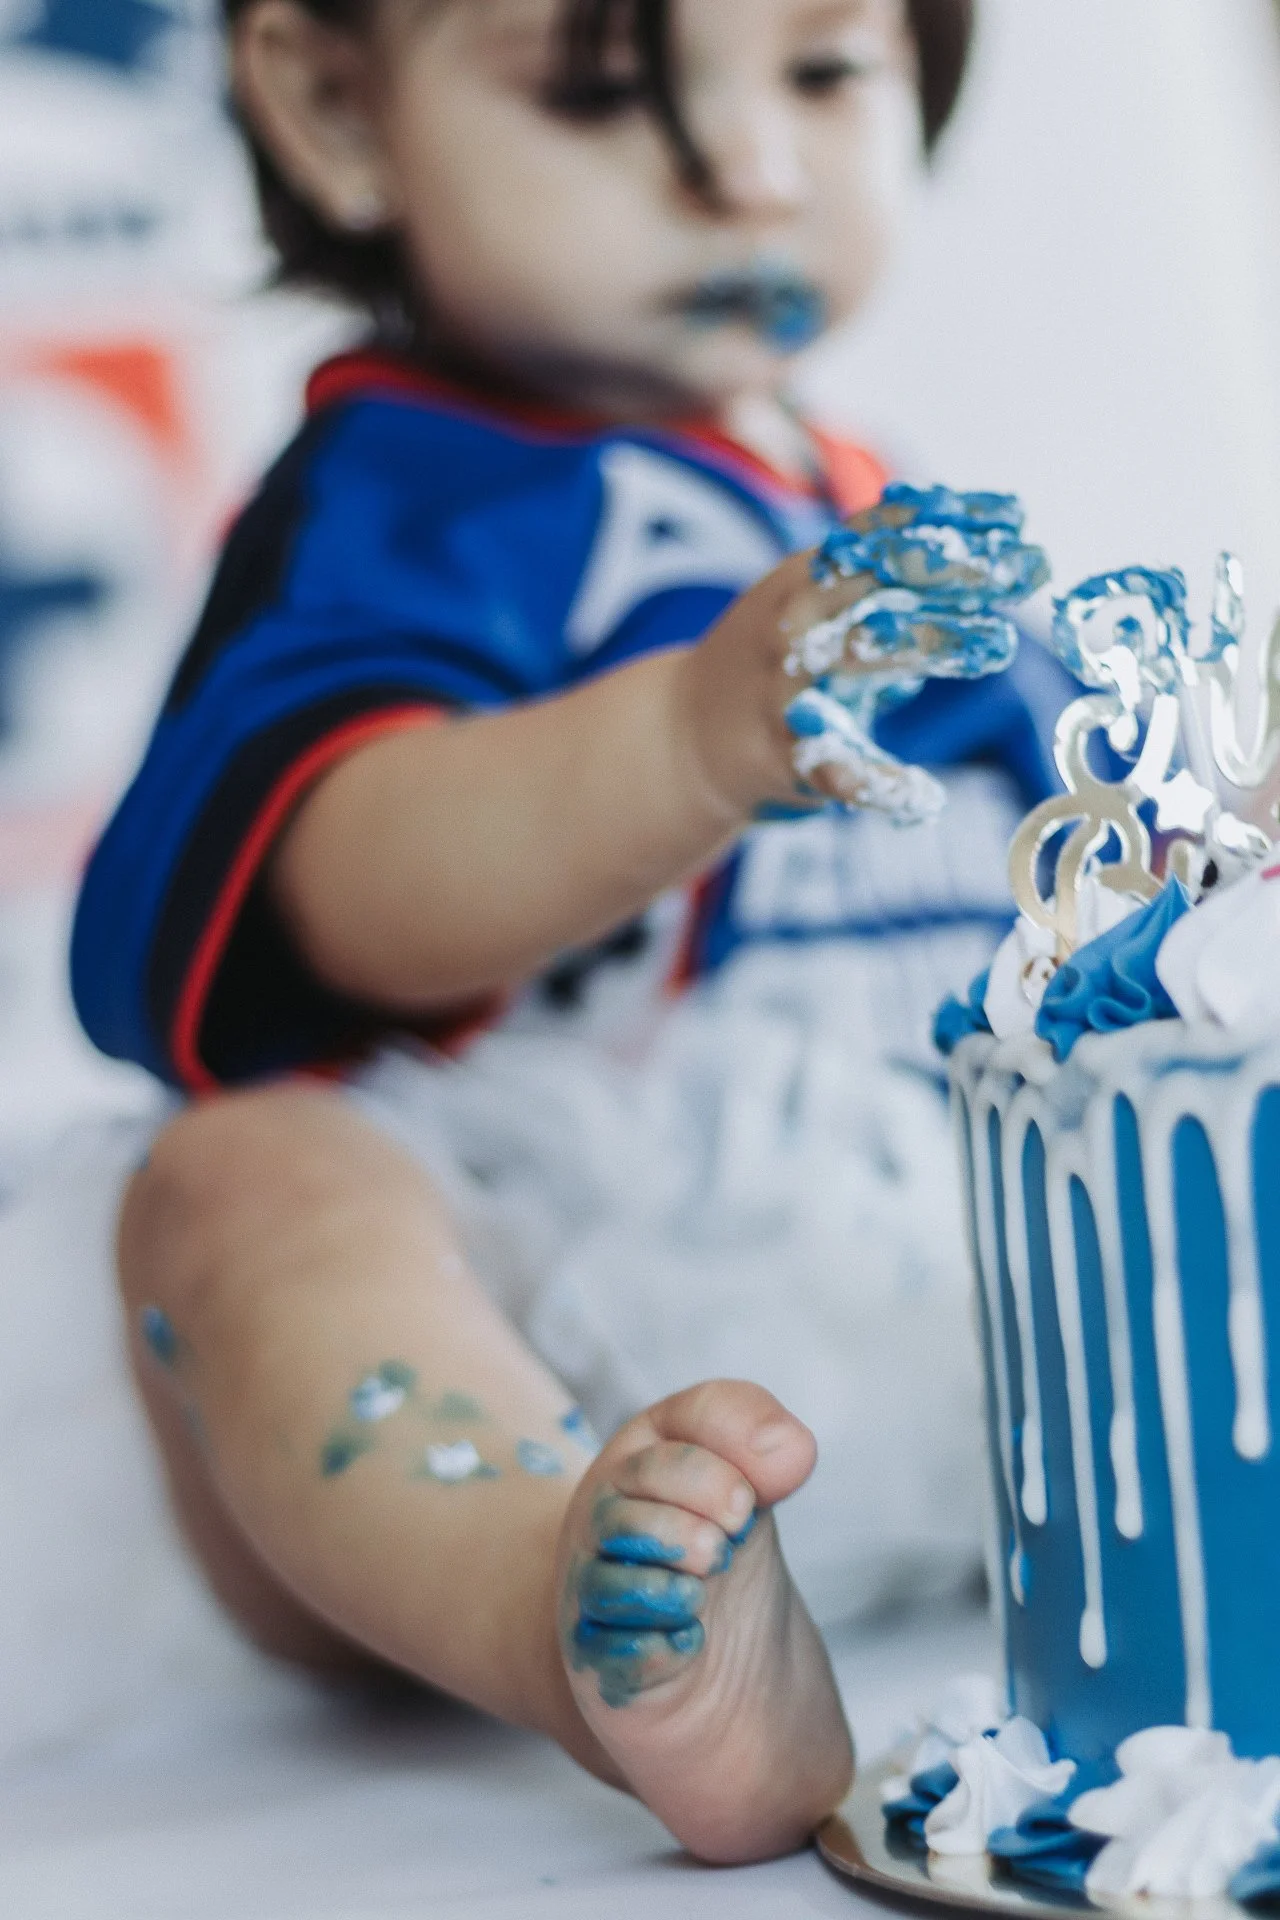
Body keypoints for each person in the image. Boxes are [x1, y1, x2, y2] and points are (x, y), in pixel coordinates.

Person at [69, 0, 1064, 1864]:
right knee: (240, 1187)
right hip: (535, 1301)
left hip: (945, 1285)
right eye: (605, 88)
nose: (751, 169)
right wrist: (685, 740)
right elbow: (329, 893)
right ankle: (576, 1609)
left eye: (828, 72)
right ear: (334, 108)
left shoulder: (893, 520)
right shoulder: (408, 500)